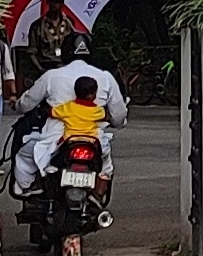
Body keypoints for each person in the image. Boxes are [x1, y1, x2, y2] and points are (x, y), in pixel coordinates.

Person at [12, 55, 127, 195]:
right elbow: (117, 116)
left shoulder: (52, 78)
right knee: (106, 167)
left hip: (59, 138)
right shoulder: (105, 81)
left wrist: (20, 105)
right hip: (94, 140)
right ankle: (99, 194)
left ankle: (28, 188)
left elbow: (27, 105)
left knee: (27, 155)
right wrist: (116, 121)